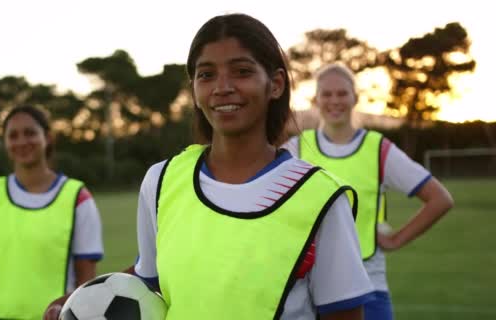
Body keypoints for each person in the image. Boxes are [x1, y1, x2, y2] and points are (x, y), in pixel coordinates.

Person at [44, 13, 374, 320]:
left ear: (275, 84)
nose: (222, 87)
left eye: (242, 71)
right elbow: (149, 278)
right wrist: (79, 301)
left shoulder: (319, 197)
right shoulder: (161, 180)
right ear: (194, 89)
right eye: (206, 74)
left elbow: (343, 313)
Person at [282, 63, 454, 320]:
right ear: (315, 100)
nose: (334, 101)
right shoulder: (297, 149)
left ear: (355, 98)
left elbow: (440, 199)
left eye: (342, 93)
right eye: (326, 94)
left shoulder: (377, 148)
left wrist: (396, 239)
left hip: (368, 283)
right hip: (309, 289)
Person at [0, 105, 104, 320]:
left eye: (30, 133)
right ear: (5, 143)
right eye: (13, 135)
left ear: (48, 138)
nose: (22, 141)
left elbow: (85, 277)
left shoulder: (77, 197)